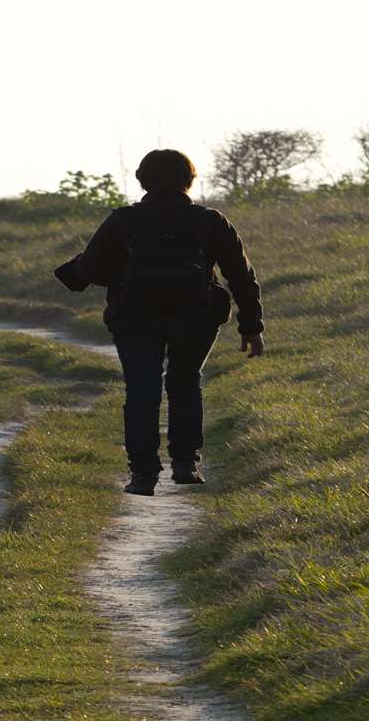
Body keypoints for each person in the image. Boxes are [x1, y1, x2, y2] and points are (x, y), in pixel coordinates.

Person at [54, 149, 264, 493]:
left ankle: (143, 474)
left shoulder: (123, 220)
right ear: (190, 180)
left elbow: (90, 270)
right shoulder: (211, 221)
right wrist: (251, 326)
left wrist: (73, 270)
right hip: (196, 317)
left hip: (134, 318)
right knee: (186, 382)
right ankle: (185, 463)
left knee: (142, 388)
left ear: (142, 180)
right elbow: (241, 276)